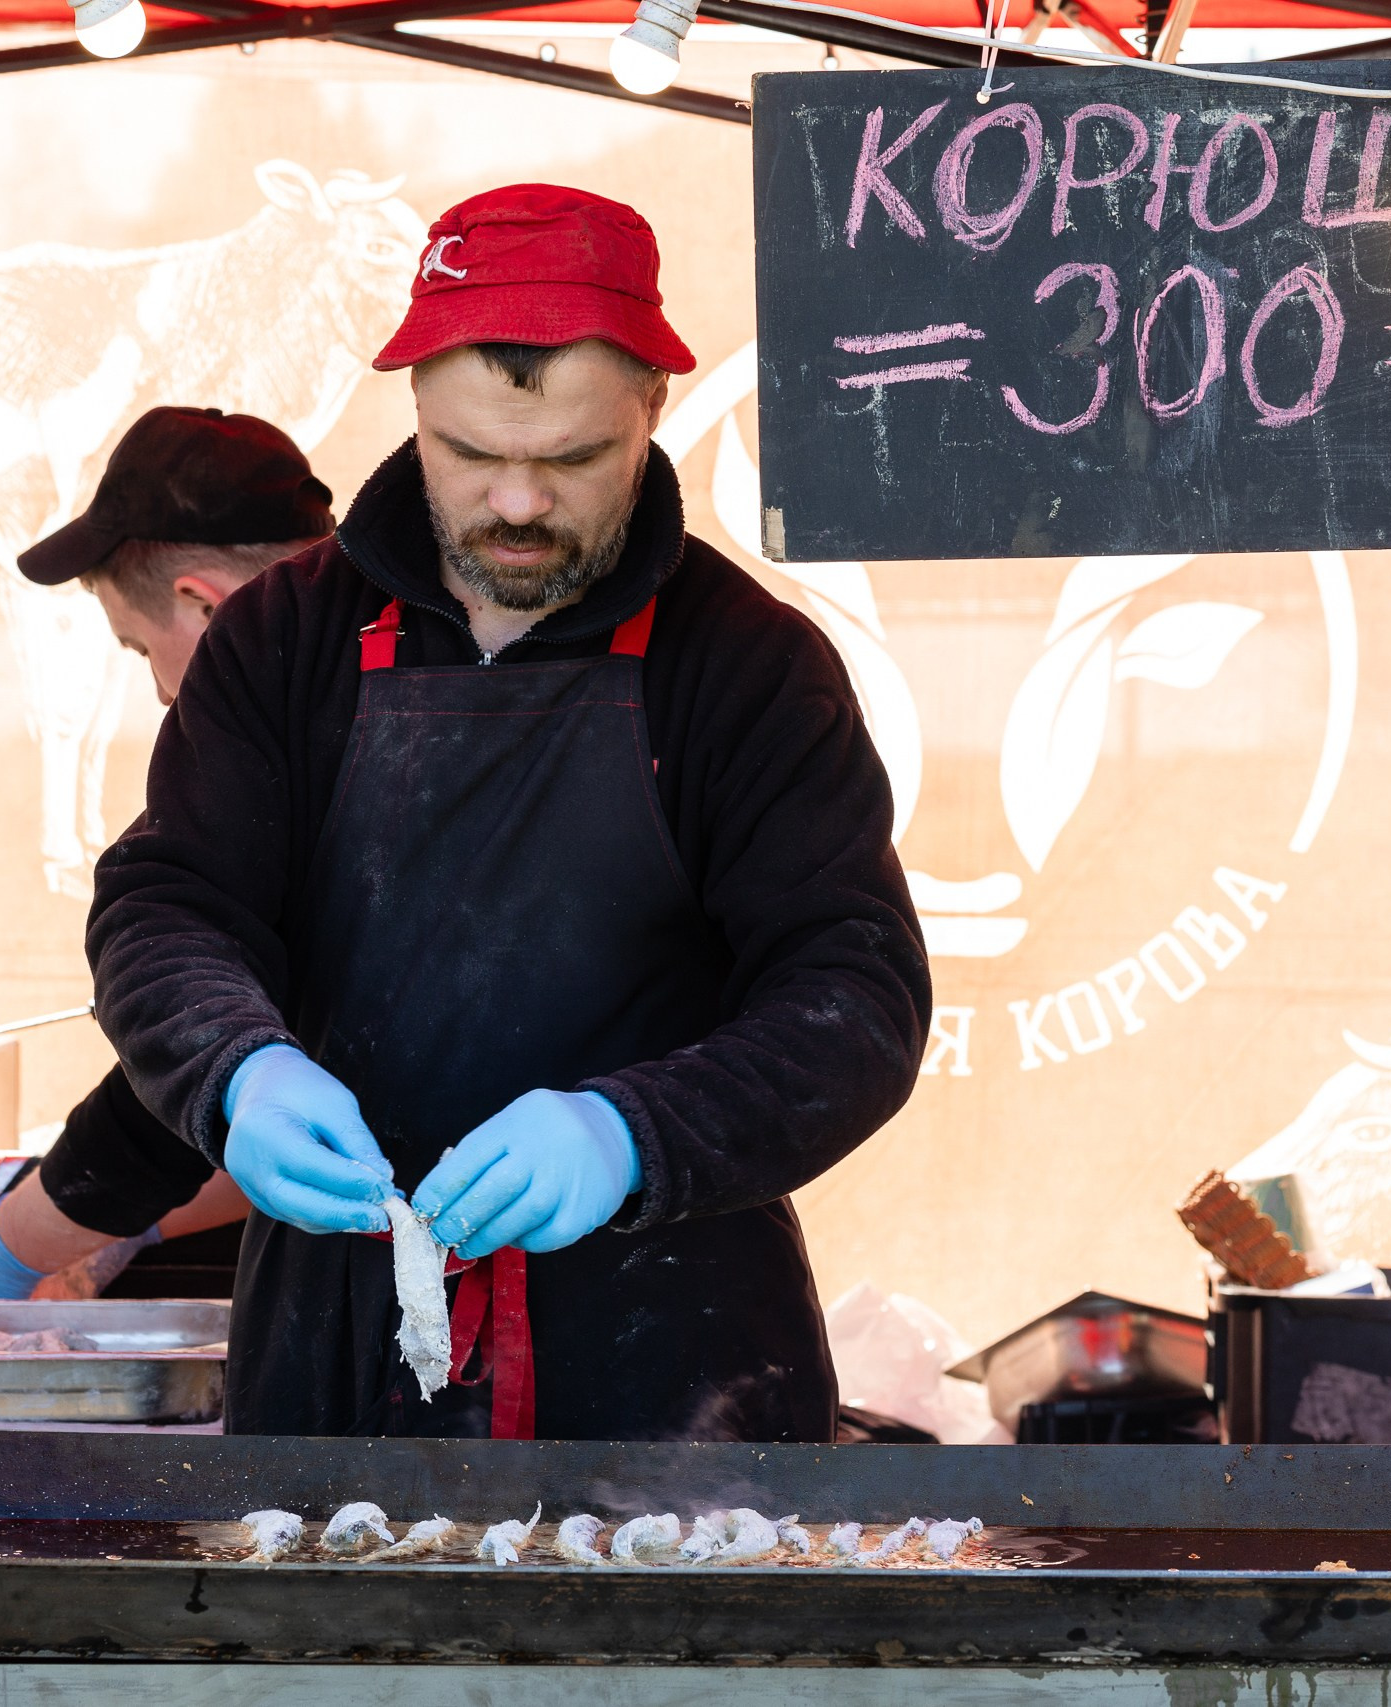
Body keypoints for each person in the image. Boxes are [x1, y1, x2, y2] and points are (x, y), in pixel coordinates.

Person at [87, 184, 930, 1441]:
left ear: (653, 405)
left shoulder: (746, 662)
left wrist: (630, 1134)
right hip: (338, 1340)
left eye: (573, 460)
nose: (519, 504)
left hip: (678, 1359)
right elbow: (167, 907)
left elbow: (855, 997)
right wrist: (237, 1068)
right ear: (414, 406)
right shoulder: (284, 638)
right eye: (471, 456)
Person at [0, 407, 334, 1300]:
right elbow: (279, 1086)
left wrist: (8, 1246)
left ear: (205, 603)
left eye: (141, 647)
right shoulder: (367, 682)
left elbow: (192, 1057)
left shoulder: (312, 752)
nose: (162, 690)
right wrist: (129, 1225)